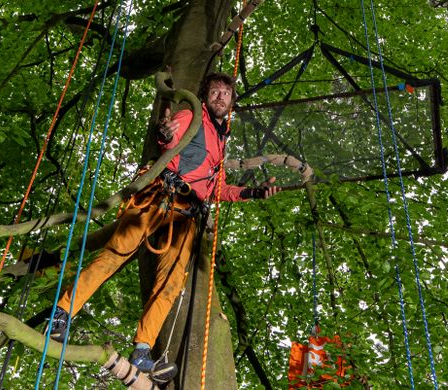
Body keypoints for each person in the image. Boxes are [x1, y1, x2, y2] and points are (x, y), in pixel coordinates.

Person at [46, 72, 280, 382]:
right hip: (157, 197)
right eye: (215, 91)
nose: (221, 96)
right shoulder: (192, 115)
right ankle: (61, 313)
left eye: (226, 92)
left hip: (185, 217)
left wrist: (253, 192)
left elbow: (217, 189)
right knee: (112, 256)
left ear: (232, 102)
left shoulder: (221, 144)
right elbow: (171, 138)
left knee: (171, 285)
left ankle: (142, 350)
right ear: (206, 96)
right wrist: (166, 134)